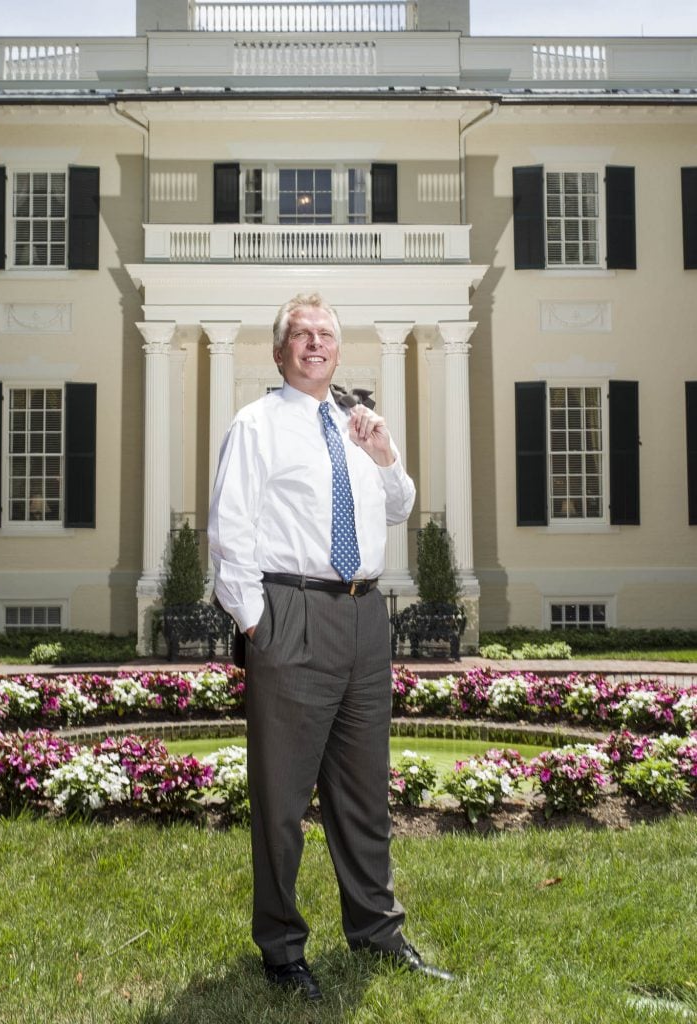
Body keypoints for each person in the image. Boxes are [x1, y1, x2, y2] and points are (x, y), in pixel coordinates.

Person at [208, 293, 455, 1001]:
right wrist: (260, 623)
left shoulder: (356, 425)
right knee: (281, 798)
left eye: (325, 335)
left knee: (361, 790)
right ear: (280, 350)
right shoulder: (255, 425)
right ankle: (282, 950)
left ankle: (376, 932)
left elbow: (398, 505)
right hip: (293, 612)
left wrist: (383, 456)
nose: (315, 343)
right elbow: (230, 534)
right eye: (301, 334)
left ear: (338, 351)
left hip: (362, 615)